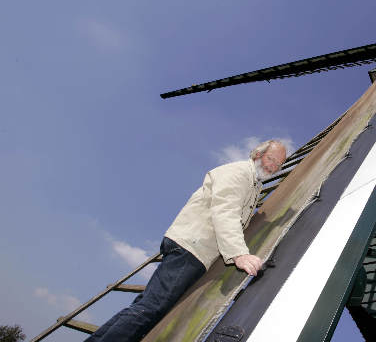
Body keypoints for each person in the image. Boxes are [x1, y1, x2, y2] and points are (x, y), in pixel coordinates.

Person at [85, 140, 287, 342]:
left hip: (192, 247)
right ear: (257, 155)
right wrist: (239, 253)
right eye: (271, 159)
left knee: (145, 306)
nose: (273, 166)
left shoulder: (254, 185)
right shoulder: (240, 173)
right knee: (151, 309)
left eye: (278, 164)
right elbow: (225, 211)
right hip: (192, 248)